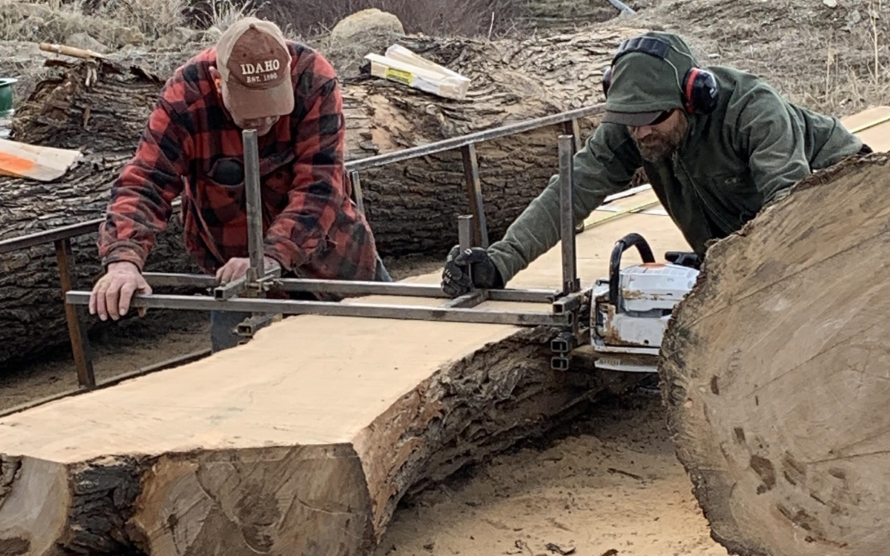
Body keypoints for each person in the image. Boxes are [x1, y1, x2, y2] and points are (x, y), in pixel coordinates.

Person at [441, 31, 870, 297]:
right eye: (631, 122)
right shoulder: (632, 126)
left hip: (846, 202)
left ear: (693, 97)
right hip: (747, 232)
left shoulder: (754, 111)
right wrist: (499, 262)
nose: (642, 132)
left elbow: (791, 203)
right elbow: (569, 193)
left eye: (654, 119)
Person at [90, 17, 390, 351]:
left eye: (273, 108)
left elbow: (319, 185)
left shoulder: (312, 78)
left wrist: (270, 256)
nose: (263, 119)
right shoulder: (185, 97)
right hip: (234, 269)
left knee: (390, 348)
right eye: (250, 111)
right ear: (219, 82)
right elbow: (145, 182)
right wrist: (123, 260)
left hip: (331, 253)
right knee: (241, 376)